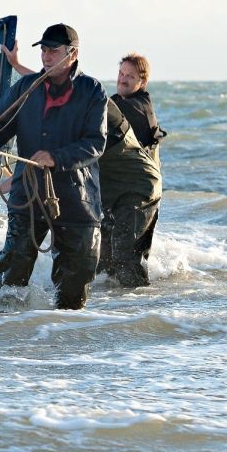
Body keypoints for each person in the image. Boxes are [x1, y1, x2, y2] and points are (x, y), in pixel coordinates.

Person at [0, 23, 107, 310]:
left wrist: (57, 157)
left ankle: (65, 343)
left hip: (76, 200)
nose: (45, 56)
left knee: (74, 287)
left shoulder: (92, 91)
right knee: (10, 279)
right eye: (43, 50)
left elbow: (96, 142)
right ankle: (4, 339)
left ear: (73, 54)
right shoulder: (24, 88)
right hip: (28, 195)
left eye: (53, 51)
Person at [96, 53, 166, 288]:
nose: (123, 80)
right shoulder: (118, 101)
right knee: (104, 261)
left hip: (140, 194)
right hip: (118, 191)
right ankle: (110, 312)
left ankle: (140, 311)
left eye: (130, 76)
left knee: (125, 259)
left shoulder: (137, 108)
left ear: (142, 82)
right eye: (121, 74)